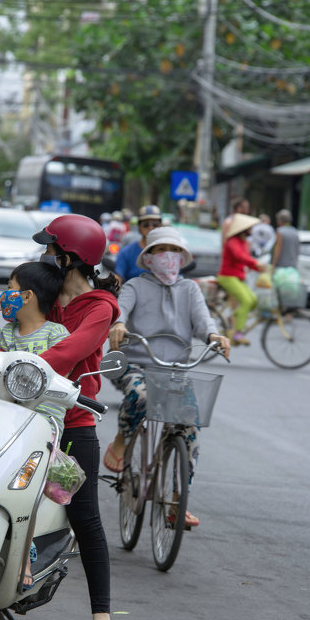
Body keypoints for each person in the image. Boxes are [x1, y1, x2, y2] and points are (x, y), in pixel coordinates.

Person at [32, 214, 121, 620]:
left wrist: (27, 365)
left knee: (85, 519)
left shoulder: (100, 308)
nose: (44, 256)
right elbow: (16, 326)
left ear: (68, 257)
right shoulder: (44, 296)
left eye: (50, 249)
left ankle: (102, 618)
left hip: (73, 424)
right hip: (27, 417)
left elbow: (73, 349)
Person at [103, 226, 230, 528]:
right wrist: (118, 325)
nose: (167, 257)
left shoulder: (190, 290)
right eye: (160, 251)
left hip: (175, 371)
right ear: (149, 257)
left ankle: (177, 499)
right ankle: (123, 436)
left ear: (182, 257)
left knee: (191, 424)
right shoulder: (135, 285)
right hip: (135, 366)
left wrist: (215, 334)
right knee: (141, 395)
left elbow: (203, 321)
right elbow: (120, 309)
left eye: (173, 251)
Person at [0, 261, 70, 591]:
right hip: (0, 420)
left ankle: (22, 557)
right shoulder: (2, 335)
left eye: (9, 287)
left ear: (28, 296)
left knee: (29, 488)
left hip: (41, 425)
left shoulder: (57, 336)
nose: (3, 295)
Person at [217, 213, 267, 345]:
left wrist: (260, 268)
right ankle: (238, 333)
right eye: (250, 228)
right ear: (243, 229)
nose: (252, 231)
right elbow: (239, 257)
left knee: (253, 301)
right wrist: (256, 263)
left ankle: (232, 318)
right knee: (245, 301)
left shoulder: (244, 242)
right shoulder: (232, 241)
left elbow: (246, 261)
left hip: (238, 277)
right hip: (227, 277)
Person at [114, 204, 163, 283]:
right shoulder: (126, 252)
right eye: (146, 224)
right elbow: (118, 277)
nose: (150, 228)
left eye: (155, 224)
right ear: (139, 226)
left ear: (161, 225)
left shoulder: (168, 252)